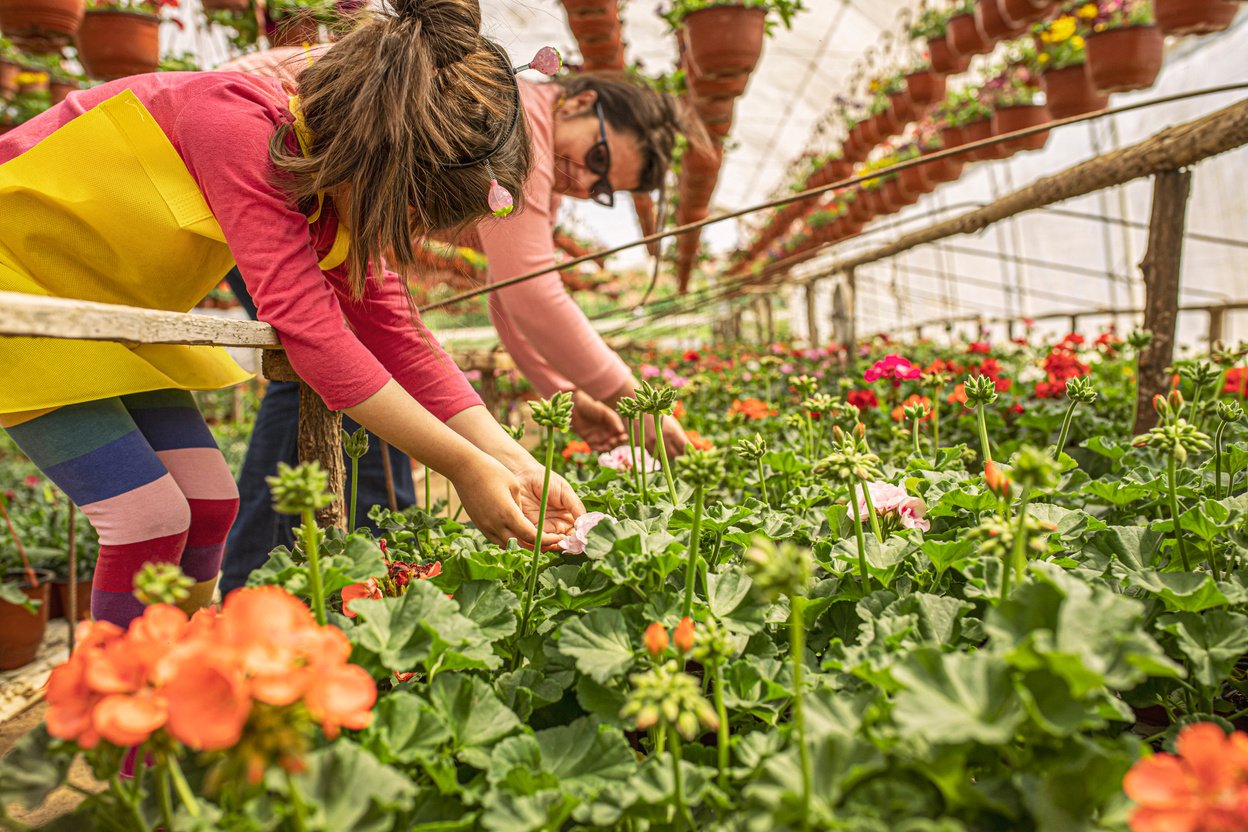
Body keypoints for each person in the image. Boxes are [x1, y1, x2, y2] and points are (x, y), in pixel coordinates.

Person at [0, 0, 584, 629]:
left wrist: (517, 461)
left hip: (109, 311)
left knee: (211, 504)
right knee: (148, 519)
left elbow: (402, 337)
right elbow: (313, 334)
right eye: (408, 209)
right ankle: (113, 710)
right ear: (376, 154)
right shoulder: (236, 121)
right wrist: (465, 466)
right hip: (21, 292)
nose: (405, 229)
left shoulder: (330, 193)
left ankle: (174, 676)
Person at [213, 46, 702, 591]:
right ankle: (256, 584)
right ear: (580, 102)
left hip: (293, 166)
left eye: (605, 189)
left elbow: (509, 295)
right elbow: (533, 298)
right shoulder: (512, 121)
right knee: (317, 357)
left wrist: (557, 399)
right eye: (599, 160)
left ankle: (372, 570)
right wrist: (629, 399)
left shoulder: (518, 138)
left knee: (353, 360)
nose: (587, 183)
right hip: (263, 154)